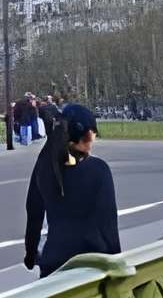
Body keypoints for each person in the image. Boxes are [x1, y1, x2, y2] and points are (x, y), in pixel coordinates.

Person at [24, 103, 120, 278]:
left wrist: (30, 254)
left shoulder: (45, 165)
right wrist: (117, 263)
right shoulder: (98, 170)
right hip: (91, 268)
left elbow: (34, 213)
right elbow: (108, 226)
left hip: (53, 264)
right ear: (87, 135)